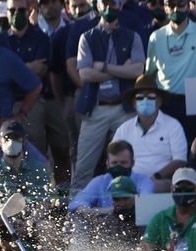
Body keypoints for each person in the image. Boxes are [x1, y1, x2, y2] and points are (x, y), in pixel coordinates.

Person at [72, 0, 144, 188]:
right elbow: (85, 74)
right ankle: (76, 212)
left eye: (114, 4)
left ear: (120, 6)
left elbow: (138, 70)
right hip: (96, 109)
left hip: (124, 109)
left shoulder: (132, 36)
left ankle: (128, 206)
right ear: (98, 7)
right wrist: (122, 69)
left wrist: (104, 67)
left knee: (127, 161)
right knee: (83, 167)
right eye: (105, 3)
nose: (109, 8)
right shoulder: (87, 37)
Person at [144, 0, 196, 118]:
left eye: (181, 4)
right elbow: (150, 75)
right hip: (165, 102)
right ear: (165, 8)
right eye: (171, 5)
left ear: (188, 7)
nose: (176, 9)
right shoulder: (156, 37)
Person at [112, 73, 188, 192]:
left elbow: (180, 160)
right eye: (140, 97)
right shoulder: (123, 129)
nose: (145, 100)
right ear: (133, 103)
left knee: (150, 187)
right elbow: (114, 160)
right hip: (129, 182)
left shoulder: (173, 125)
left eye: (151, 96)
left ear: (159, 101)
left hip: (162, 181)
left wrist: (155, 177)